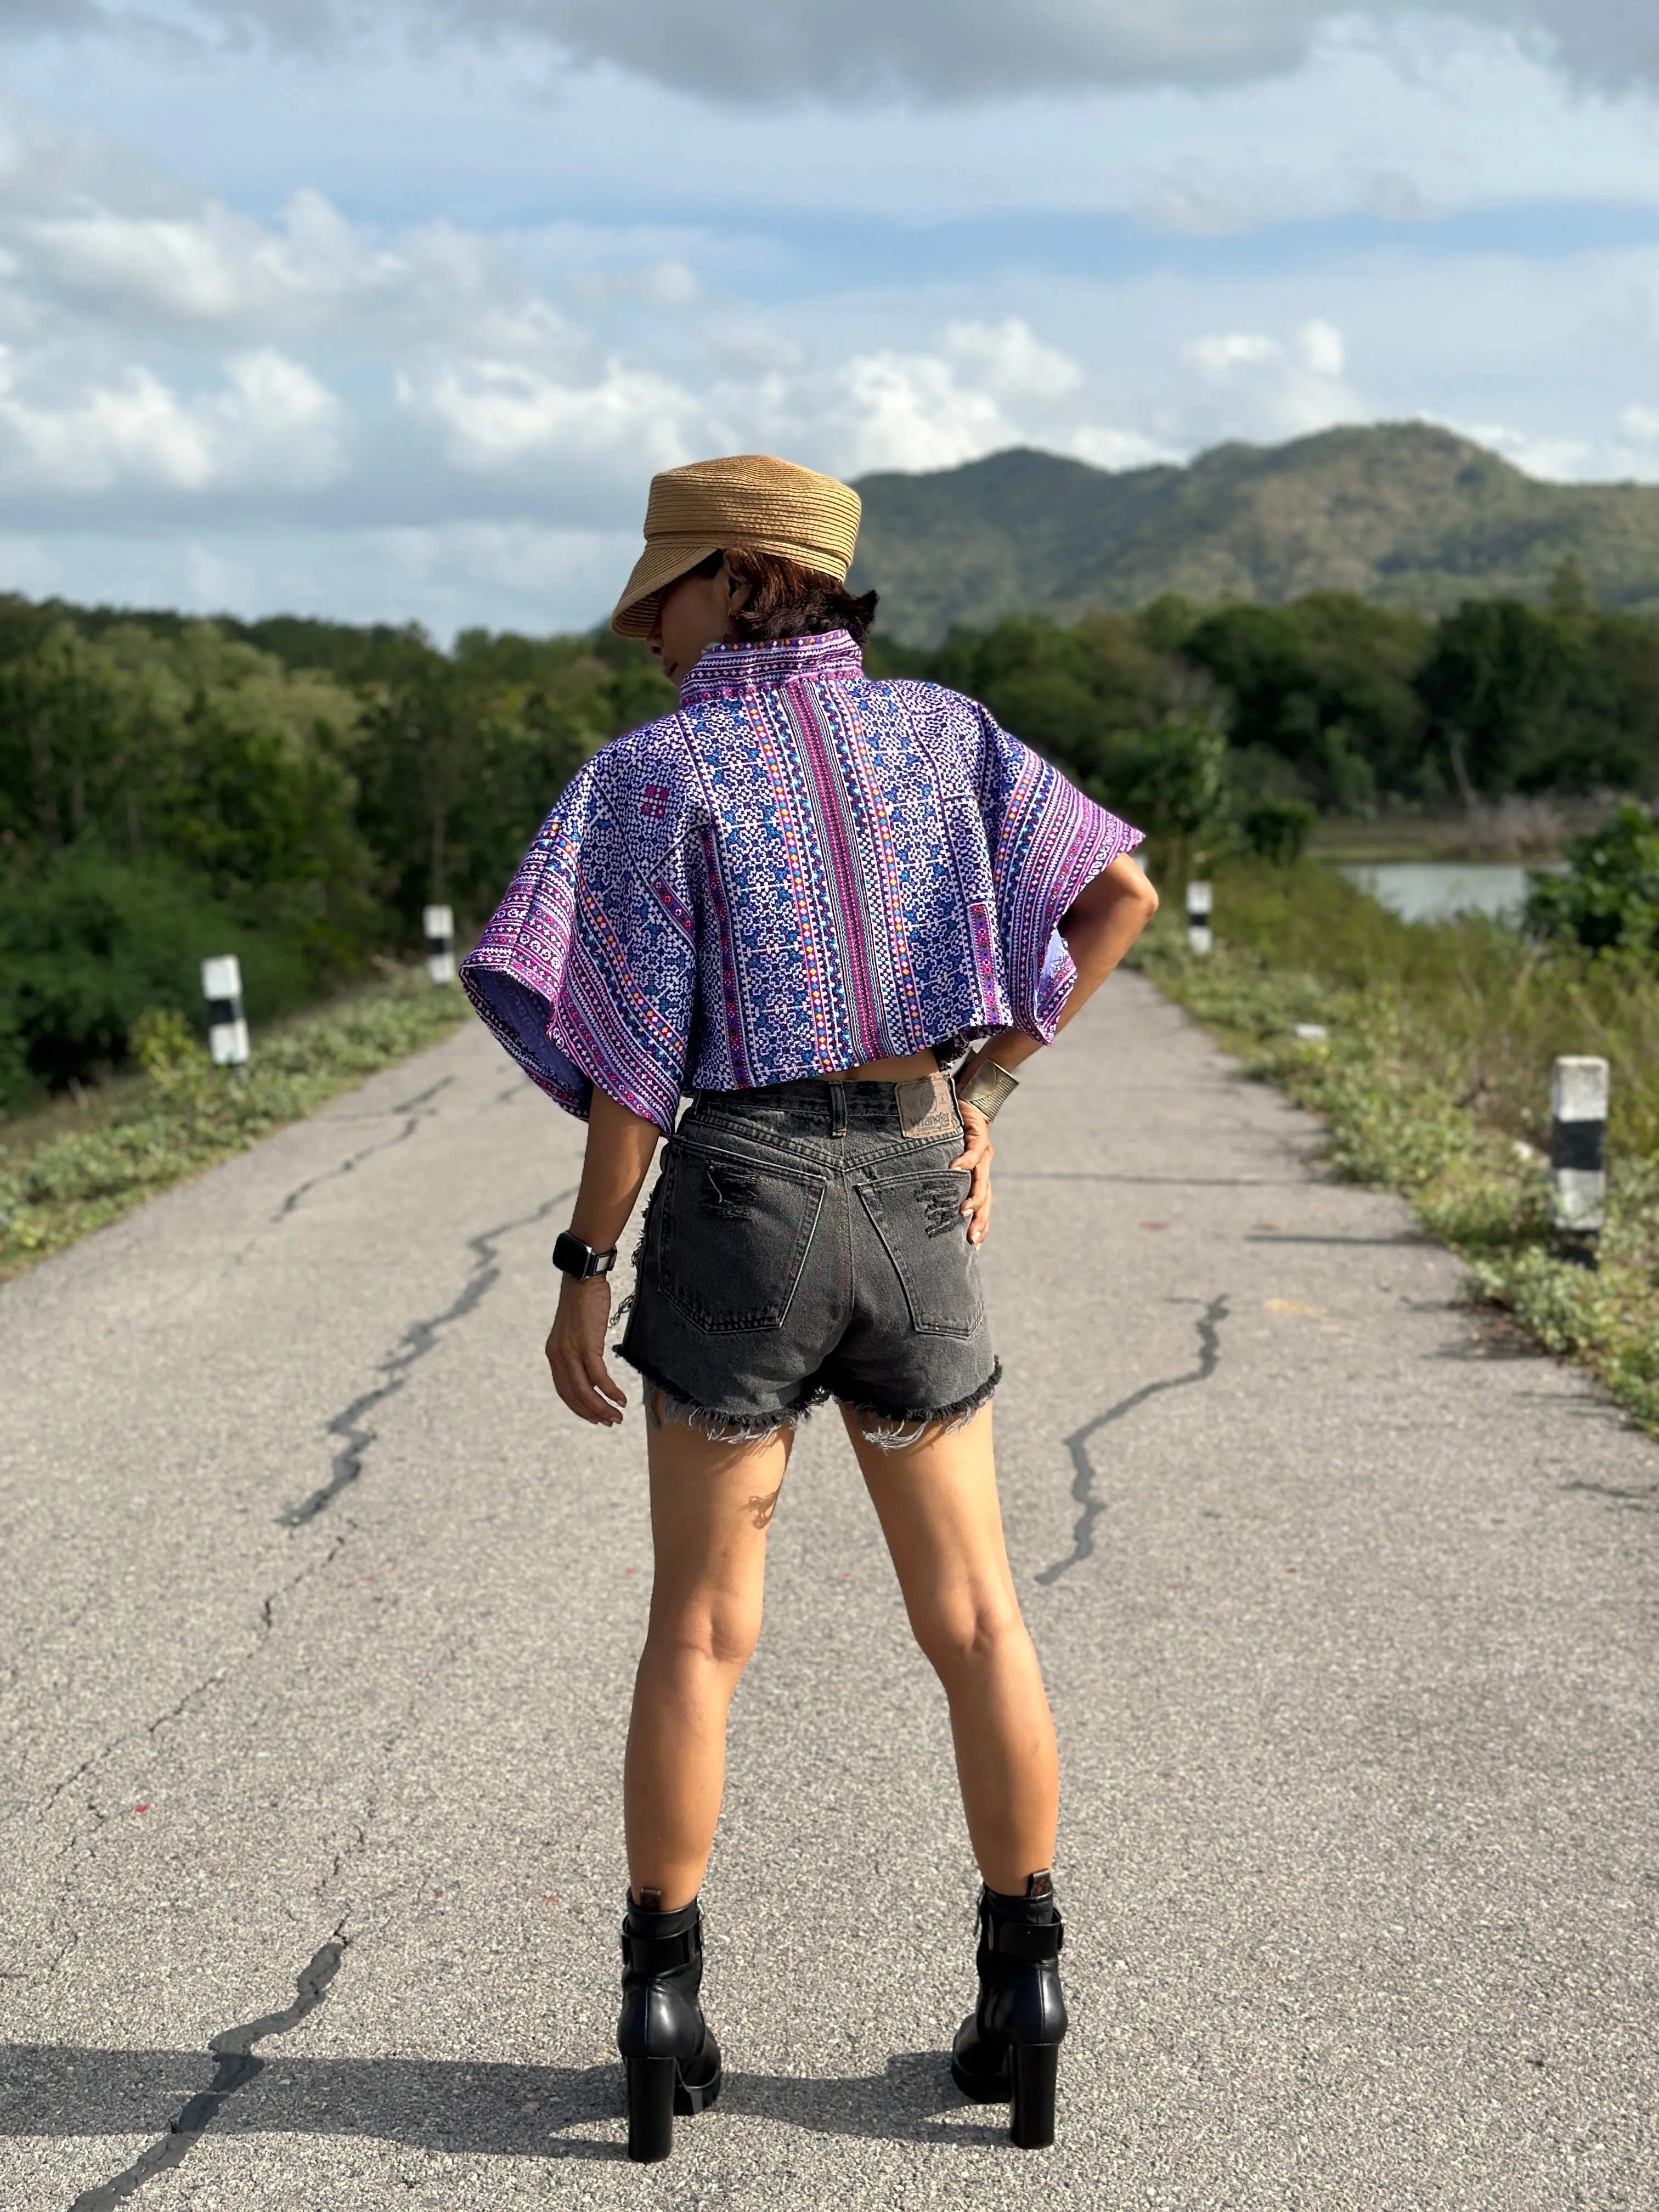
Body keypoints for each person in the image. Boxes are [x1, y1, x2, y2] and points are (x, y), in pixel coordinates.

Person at [461, 454, 1157, 2162]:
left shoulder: (650, 779)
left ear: (749, 581)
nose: (649, 633)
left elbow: (632, 1065)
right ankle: (1027, 1989)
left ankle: (660, 2003)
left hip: (742, 1201)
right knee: (980, 1622)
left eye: (671, 592)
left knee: (701, 1629)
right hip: (919, 1187)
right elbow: (1119, 891)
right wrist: (983, 1088)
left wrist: (579, 1264)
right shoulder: (952, 736)